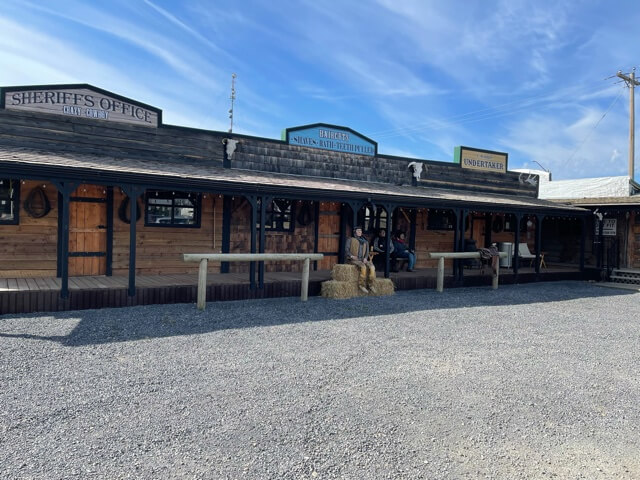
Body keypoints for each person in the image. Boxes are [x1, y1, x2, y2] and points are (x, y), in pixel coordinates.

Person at [345, 226, 376, 294]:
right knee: (363, 267)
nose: (360, 232)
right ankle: (361, 285)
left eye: (361, 231)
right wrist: (351, 256)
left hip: (363, 259)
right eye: (358, 231)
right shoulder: (350, 239)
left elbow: (367, 251)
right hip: (354, 259)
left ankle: (371, 285)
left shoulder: (365, 241)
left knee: (372, 267)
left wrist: (365, 258)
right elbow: (346, 249)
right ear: (355, 232)